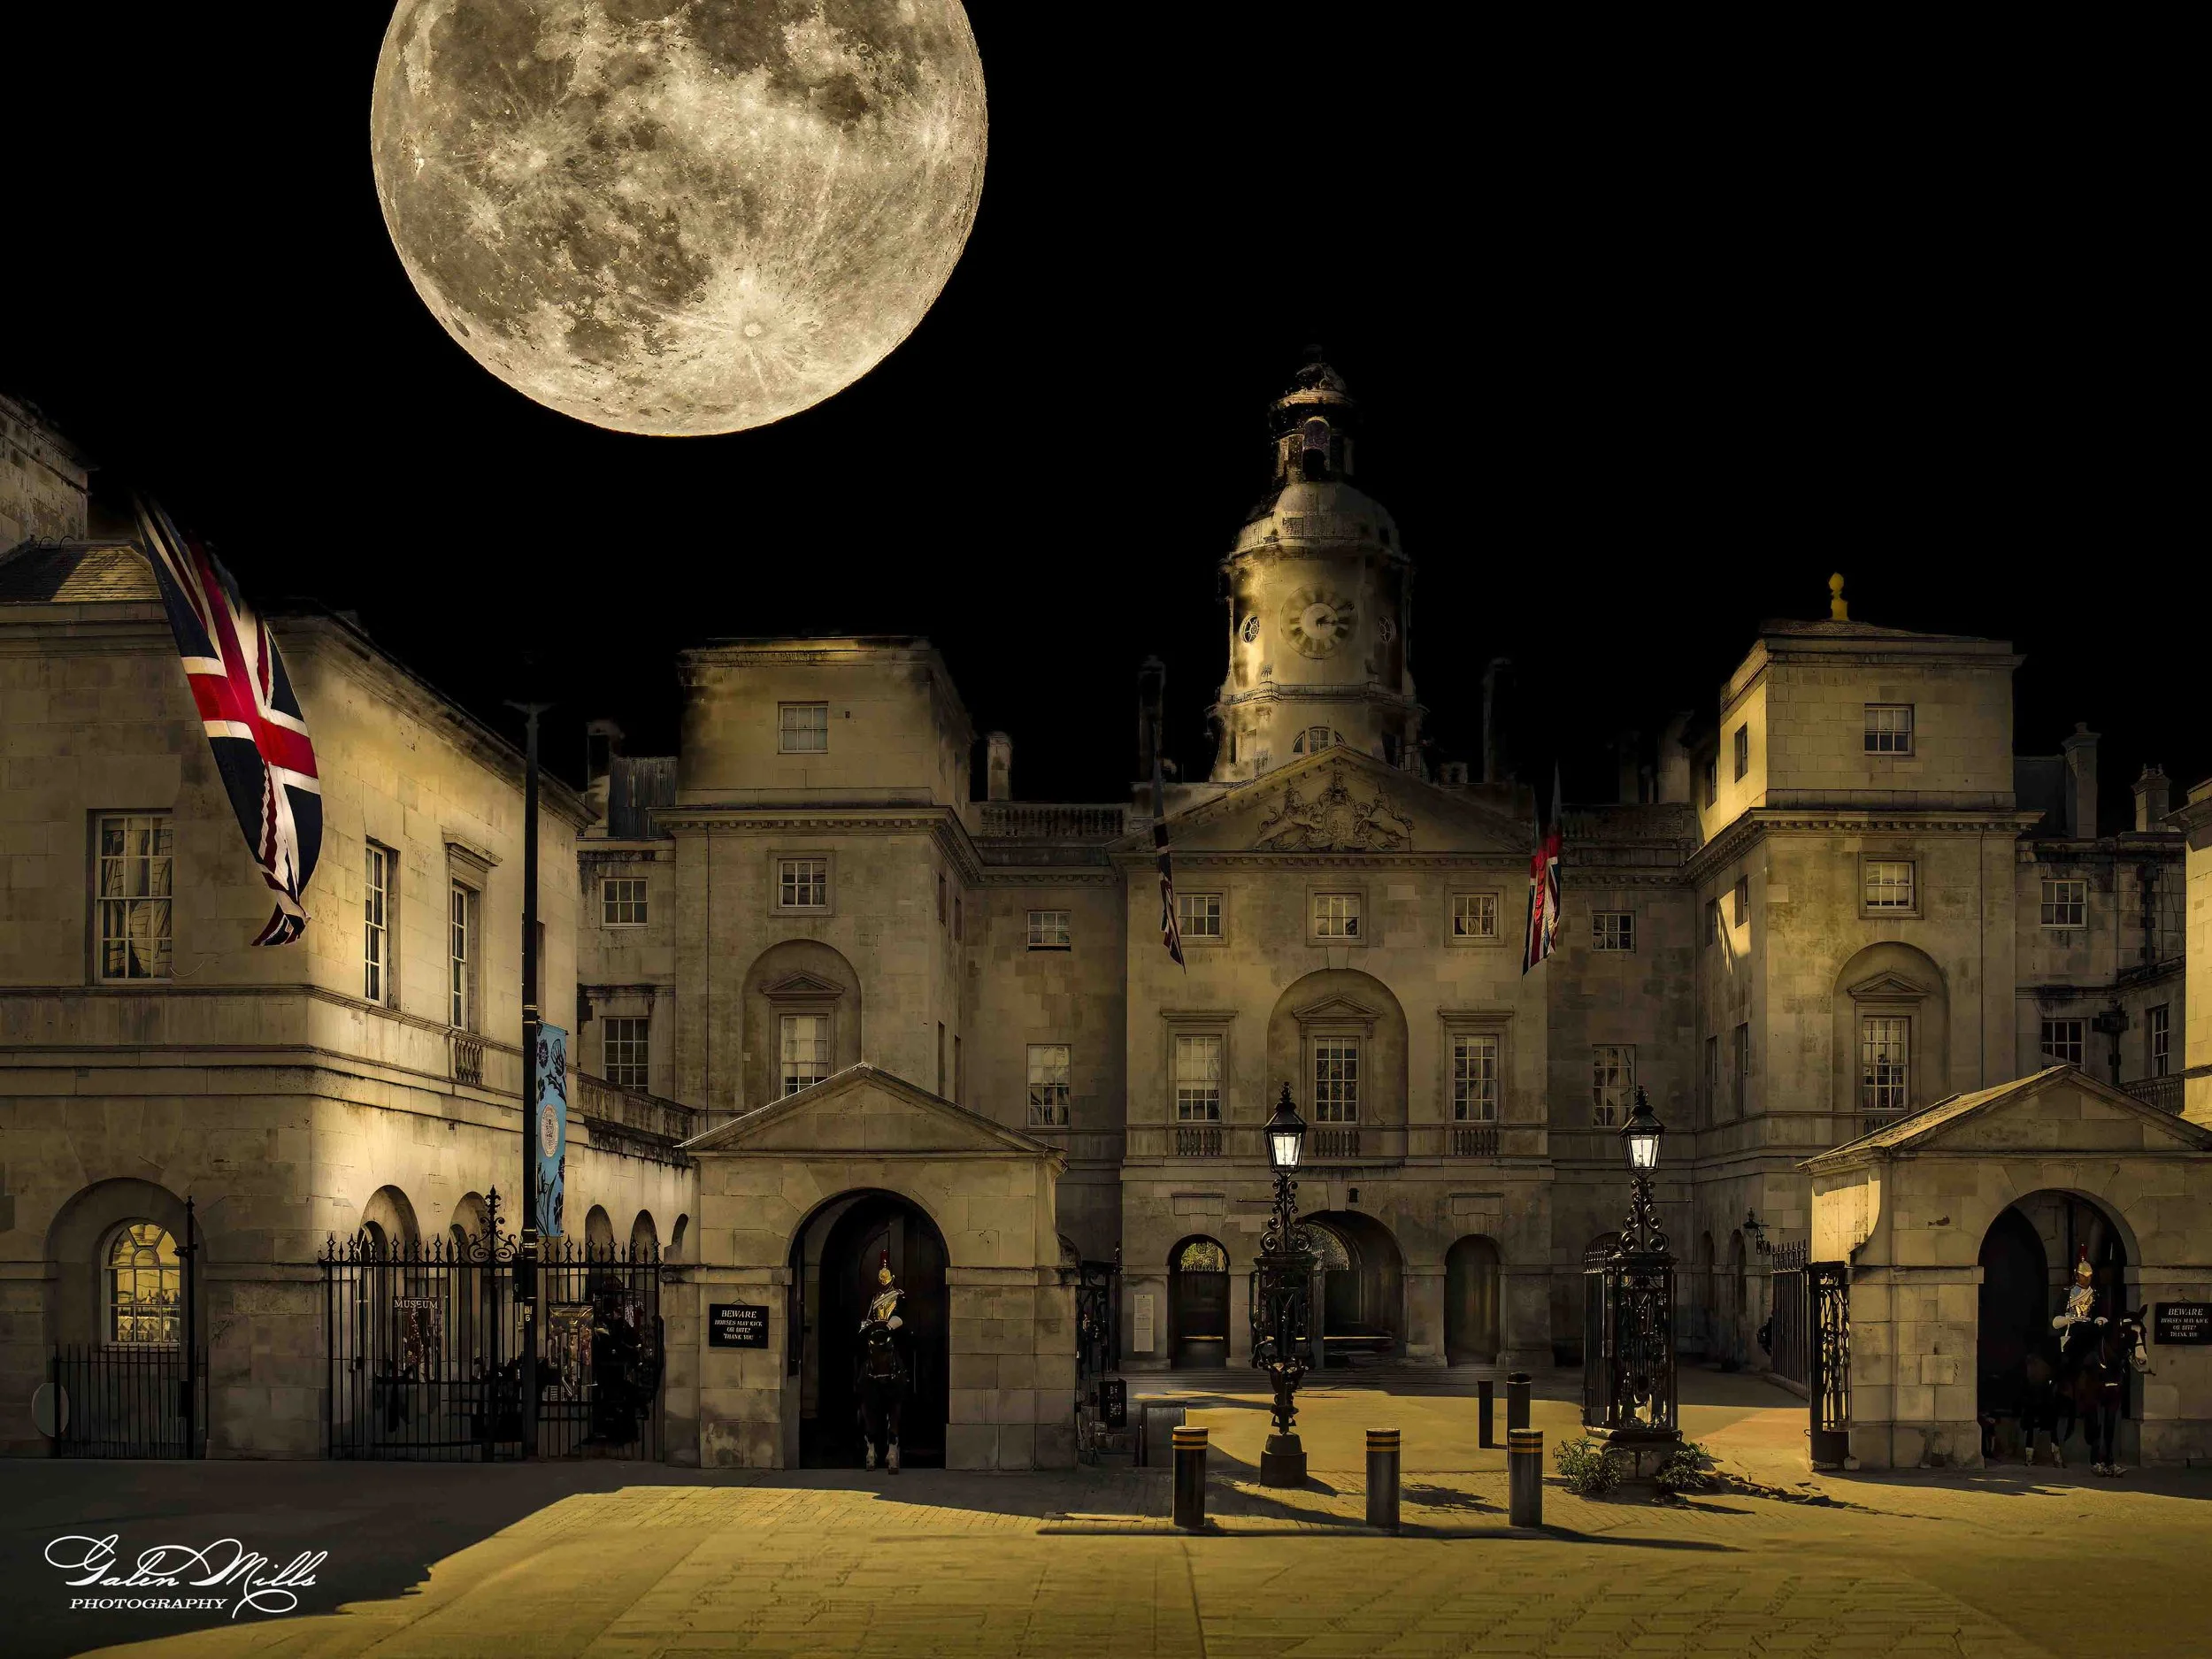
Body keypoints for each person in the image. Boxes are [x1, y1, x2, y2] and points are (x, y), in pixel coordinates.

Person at [856, 1256, 910, 1471]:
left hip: (891, 1333)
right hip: (873, 1333)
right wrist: (866, 1325)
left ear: (892, 1277)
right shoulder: (873, 1296)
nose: (884, 1279)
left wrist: (889, 1326)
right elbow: (867, 1315)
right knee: (864, 1354)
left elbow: (900, 1316)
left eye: (886, 1276)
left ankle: (906, 1378)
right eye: (881, 1276)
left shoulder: (899, 1296)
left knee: (900, 1352)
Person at [2051, 1245, 2104, 1362]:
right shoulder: (2067, 1293)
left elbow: (2099, 1313)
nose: (2087, 1279)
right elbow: (2056, 1319)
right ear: (2077, 1275)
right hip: (2071, 1329)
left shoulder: (2095, 1294)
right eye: (2084, 1276)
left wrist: (2099, 1320)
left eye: (2089, 1276)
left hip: (2089, 1329)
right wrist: (2066, 1319)